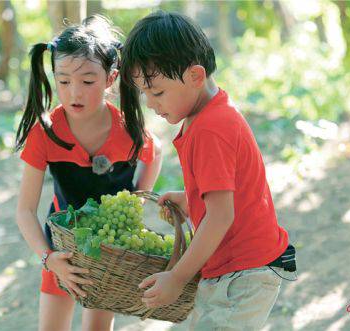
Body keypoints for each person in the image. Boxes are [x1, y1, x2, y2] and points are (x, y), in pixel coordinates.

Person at [119, 11, 293, 330]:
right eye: (145, 94)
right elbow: (227, 193)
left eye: (157, 92)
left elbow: (220, 216)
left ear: (196, 76)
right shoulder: (207, 116)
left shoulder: (211, 128)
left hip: (245, 271)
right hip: (233, 267)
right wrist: (191, 199)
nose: (151, 104)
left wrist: (177, 277)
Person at [15, 15, 162, 331]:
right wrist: (48, 258)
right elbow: (25, 210)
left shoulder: (128, 130)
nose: (73, 93)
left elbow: (156, 151)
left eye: (87, 81)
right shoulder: (46, 133)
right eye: (63, 81)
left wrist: (135, 201)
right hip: (61, 251)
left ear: (110, 79)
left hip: (107, 256)